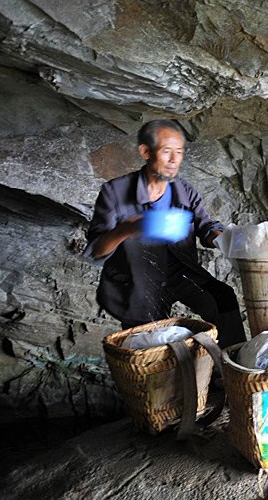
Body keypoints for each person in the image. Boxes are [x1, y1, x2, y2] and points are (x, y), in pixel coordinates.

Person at [84, 119, 246, 347]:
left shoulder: (184, 190)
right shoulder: (115, 192)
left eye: (179, 152)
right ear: (146, 151)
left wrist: (224, 239)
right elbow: (96, 251)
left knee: (223, 298)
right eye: (166, 151)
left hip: (180, 271)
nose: (174, 160)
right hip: (137, 280)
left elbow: (206, 226)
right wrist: (127, 229)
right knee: (150, 346)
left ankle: (232, 367)